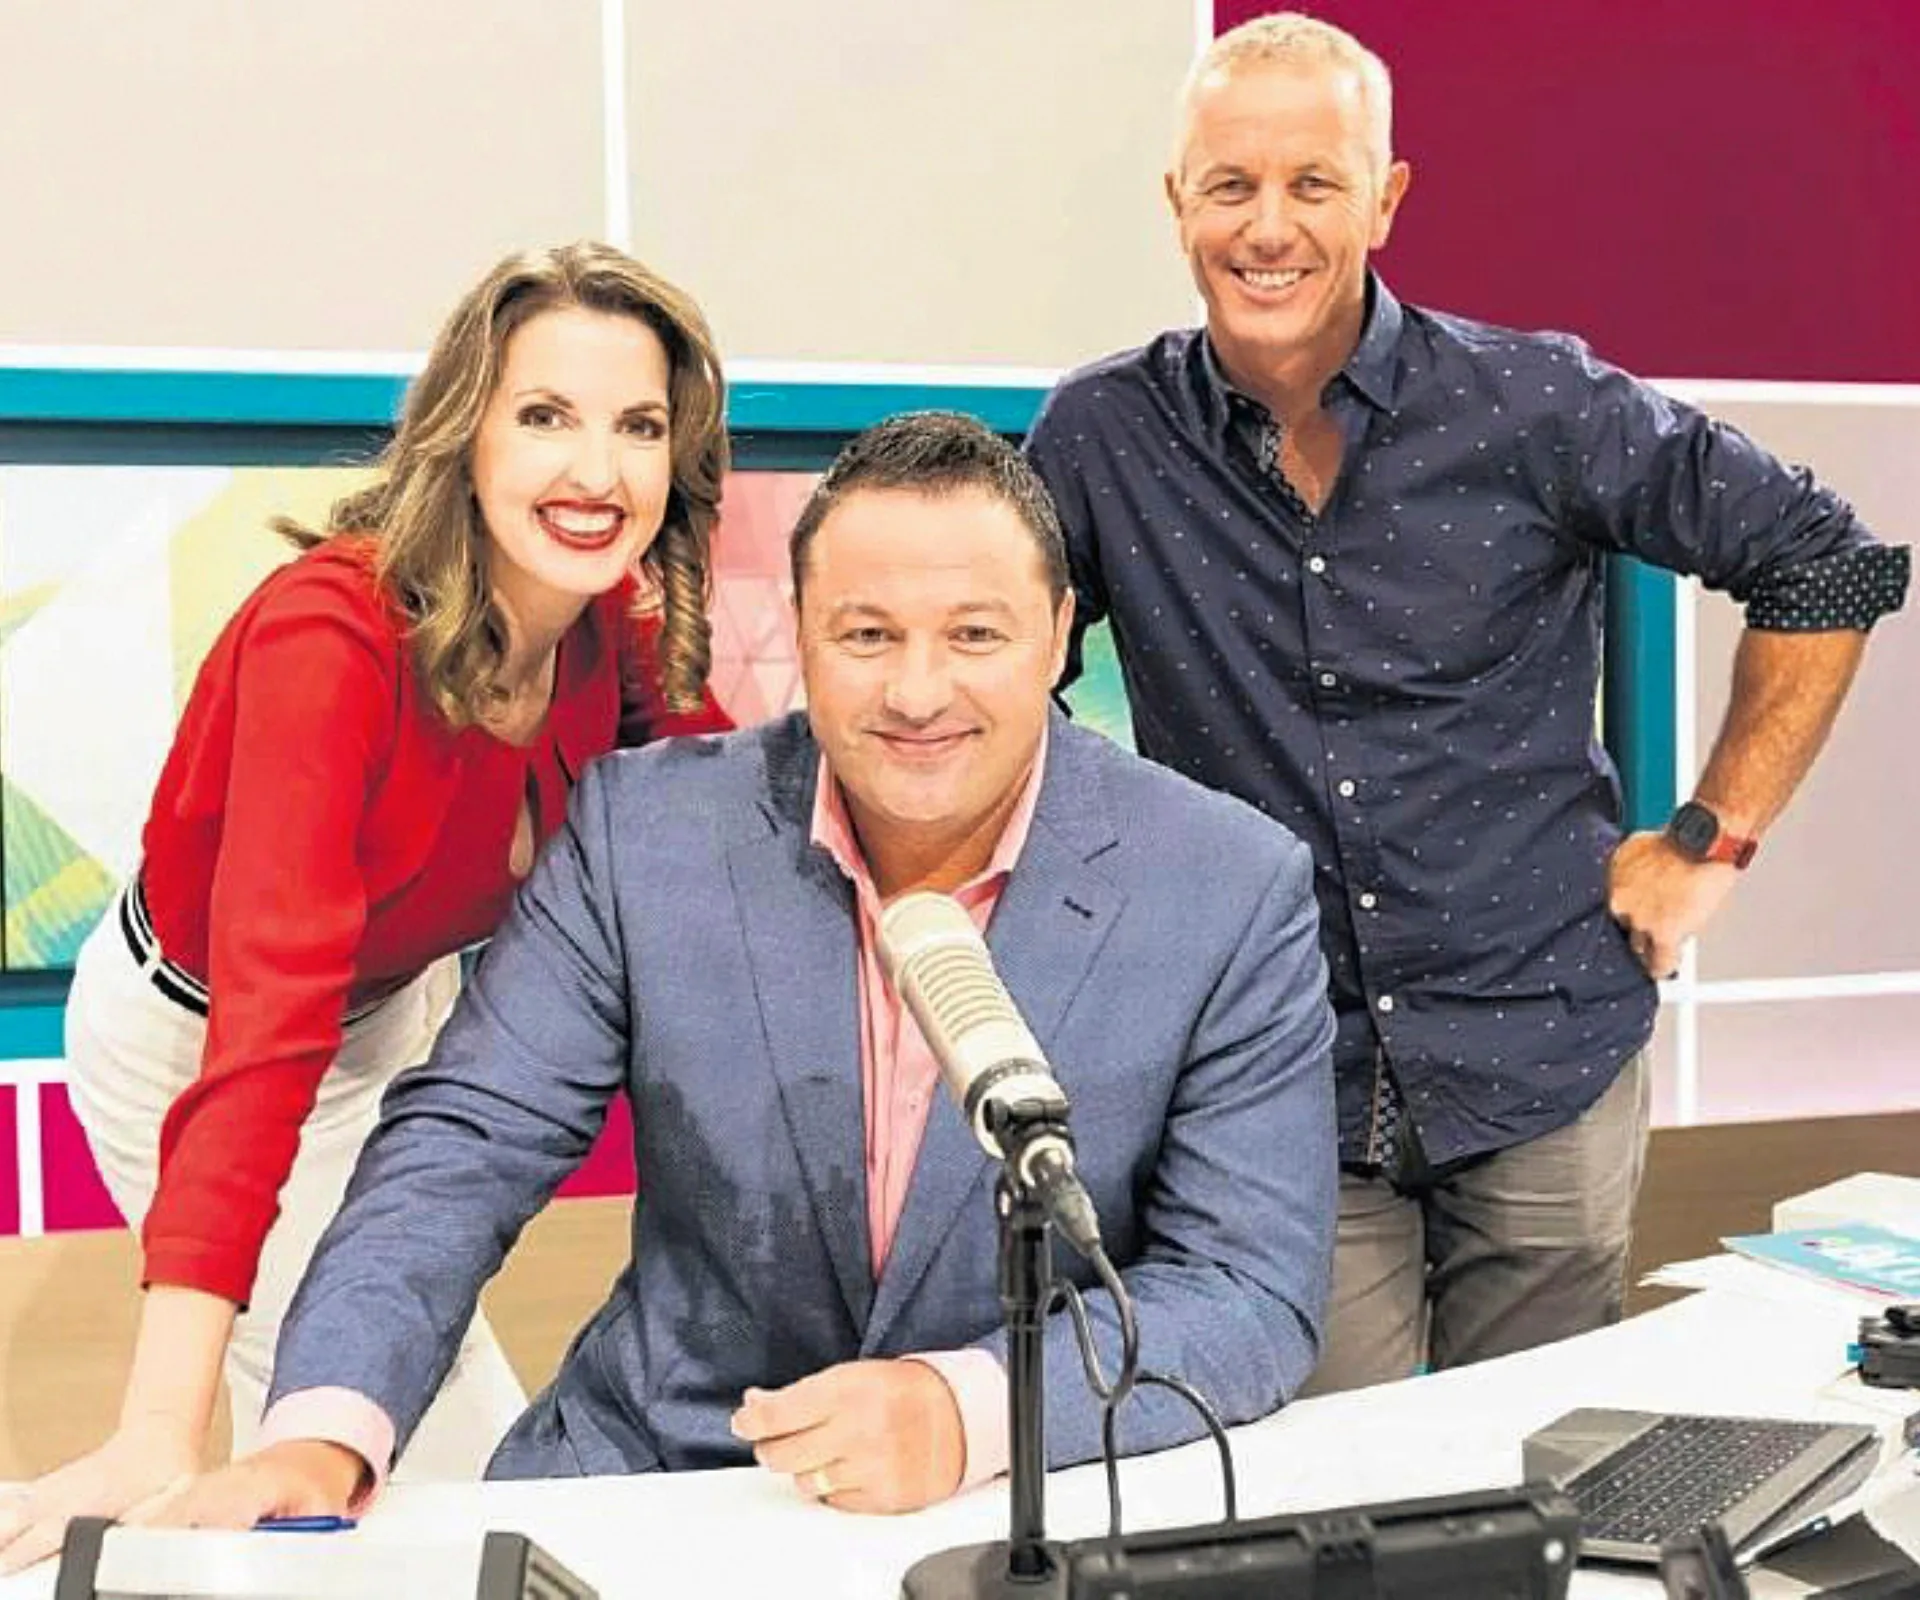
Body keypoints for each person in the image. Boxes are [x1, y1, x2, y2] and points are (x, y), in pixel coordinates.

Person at [133, 410, 1337, 1528]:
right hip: (663, 1476)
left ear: (1059, 633)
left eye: (975, 635)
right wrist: (324, 1432)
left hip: (1021, 1498)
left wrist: (969, 1408)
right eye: (866, 635)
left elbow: (1246, 1287)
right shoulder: (642, 832)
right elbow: (462, 1150)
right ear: (800, 633)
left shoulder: (1230, 888)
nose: (918, 692)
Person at [1023, 13, 1910, 1396]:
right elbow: (996, 672)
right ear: (1177, 201)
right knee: (1340, 1475)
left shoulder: (1537, 402)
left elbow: (1827, 560)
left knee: (1535, 1463)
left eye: (1314, 183)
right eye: (1231, 185)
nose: (1269, 226)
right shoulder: (1101, 437)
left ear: (1385, 199)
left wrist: (1712, 841)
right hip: (1279, 1072)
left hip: (1546, 1043)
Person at [0, 241, 734, 1573]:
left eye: (638, 426)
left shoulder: (605, 636)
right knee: (382, 1431)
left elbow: (746, 822)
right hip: (197, 1033)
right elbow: (267, 1031)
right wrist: (158, 1426)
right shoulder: (326, 641)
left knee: (417, 1408)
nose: (598, 470)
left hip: (392, 1021)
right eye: (546, 416)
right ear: (464, 433)